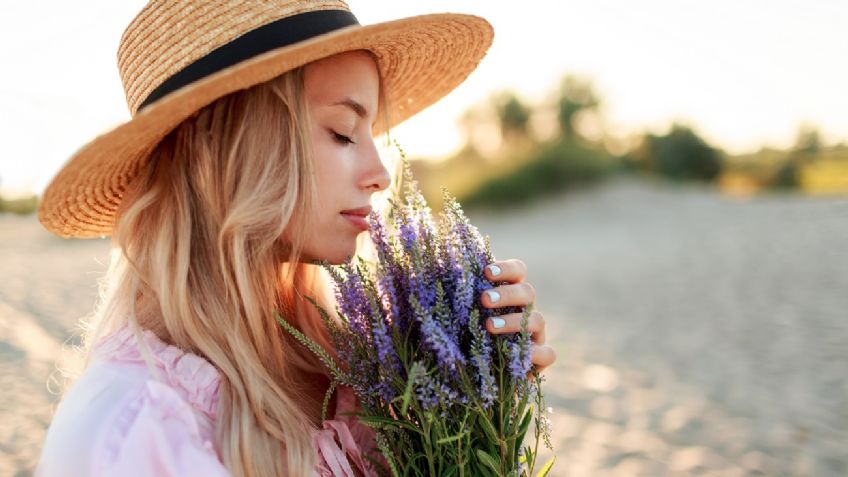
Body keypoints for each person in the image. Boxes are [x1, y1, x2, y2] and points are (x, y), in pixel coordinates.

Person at [35, 1, 557, 476]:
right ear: (219, 151)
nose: (380, 173)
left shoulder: (355, 368)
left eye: (373, 135)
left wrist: (479, 395)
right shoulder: (130, 431)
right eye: (342, 132)